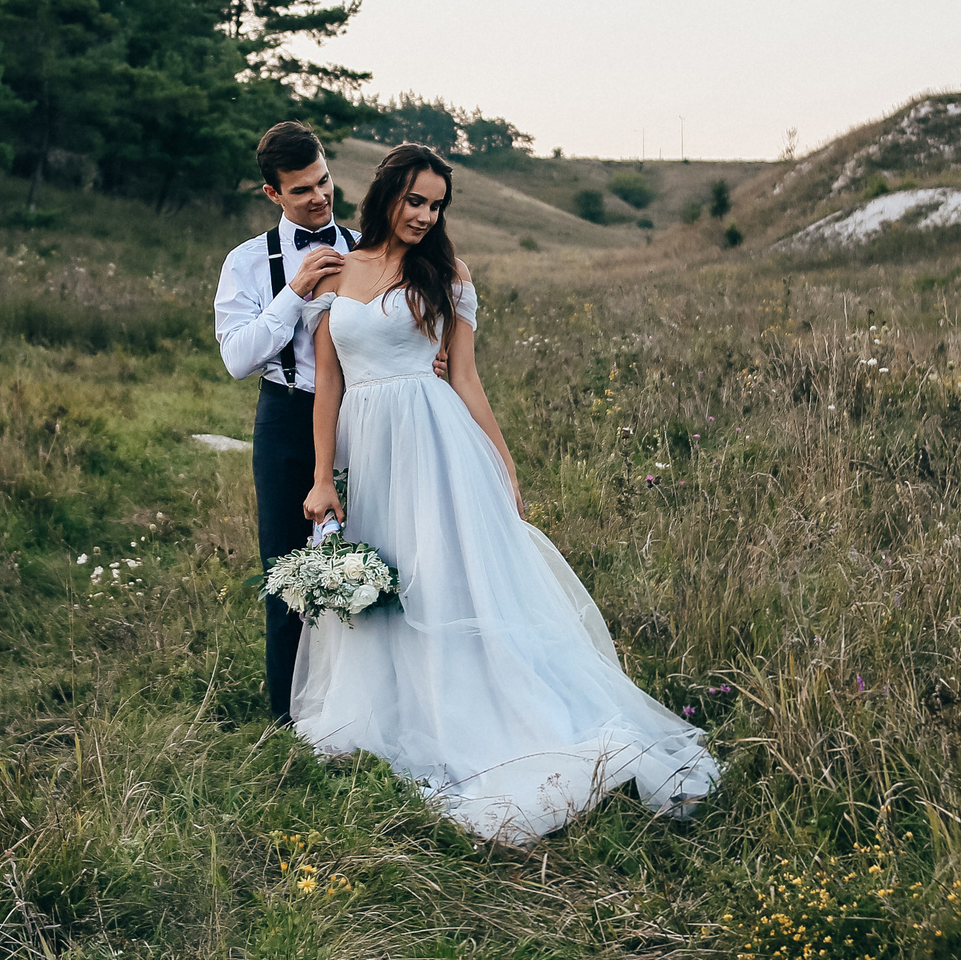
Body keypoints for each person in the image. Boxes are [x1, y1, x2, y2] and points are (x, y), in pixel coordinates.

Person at [292, 143, 719, 843]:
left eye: (437, 205)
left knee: (446, 582)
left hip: (437, 445)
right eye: (416, 200)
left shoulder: (449, 275)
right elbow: (328, 383)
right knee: (390, 585)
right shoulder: (339, 271)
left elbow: (464, 379)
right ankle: (402, 707)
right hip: (372, 456)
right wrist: (319, 477)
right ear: (387, 195)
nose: (427, 216)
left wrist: (504, 465)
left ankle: (495, 718)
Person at [212, 123, 360, 723]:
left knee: (370, 556)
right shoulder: (245, 264)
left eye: (324, 181)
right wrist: (293, 292)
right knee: (289, 573)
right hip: (286, 416)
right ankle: (288, 718)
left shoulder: (368, 247)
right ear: (273, 194)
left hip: (366, 416)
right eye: (302, 191)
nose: (320, 197)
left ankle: (361, 708)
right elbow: (236, 358)